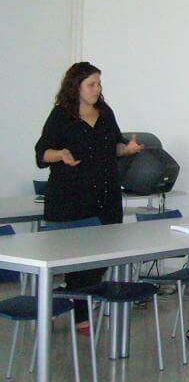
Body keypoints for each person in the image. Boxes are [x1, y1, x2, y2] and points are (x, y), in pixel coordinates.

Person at [35, 62, 143, 330]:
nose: (97, 89)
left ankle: (61, 298)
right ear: (76, 87)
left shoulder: (105, 113)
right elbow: (41, 153)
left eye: (99, 84)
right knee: (77, 261)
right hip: (70, 200)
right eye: (91, 84)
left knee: (98, 261)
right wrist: (60, 154)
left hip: (105, 200)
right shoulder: (61, 116)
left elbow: (112, 147)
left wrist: (126, 149)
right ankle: (79, 314)